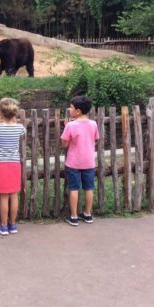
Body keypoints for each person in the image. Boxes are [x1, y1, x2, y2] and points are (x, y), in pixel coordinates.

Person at [61, 95, 99, 227]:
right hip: (89, 161)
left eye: (71, 108)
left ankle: (74, 217)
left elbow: (65, 144)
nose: (69, 109)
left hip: (74, 162)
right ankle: (88, 214)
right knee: (89, 188)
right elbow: (95, 139)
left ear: (77, 111)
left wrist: (67, 128)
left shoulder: (70, 125)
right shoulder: (93, 124)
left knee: (74, 188)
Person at [0, 98, 26, 235]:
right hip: (15, 164)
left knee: (4, 197)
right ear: (15, 114)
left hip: (1, 164)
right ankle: (13, 225)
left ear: (1, 114)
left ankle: (3, 226)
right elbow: (18, 129)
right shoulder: (20, 128)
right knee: (14, 195)